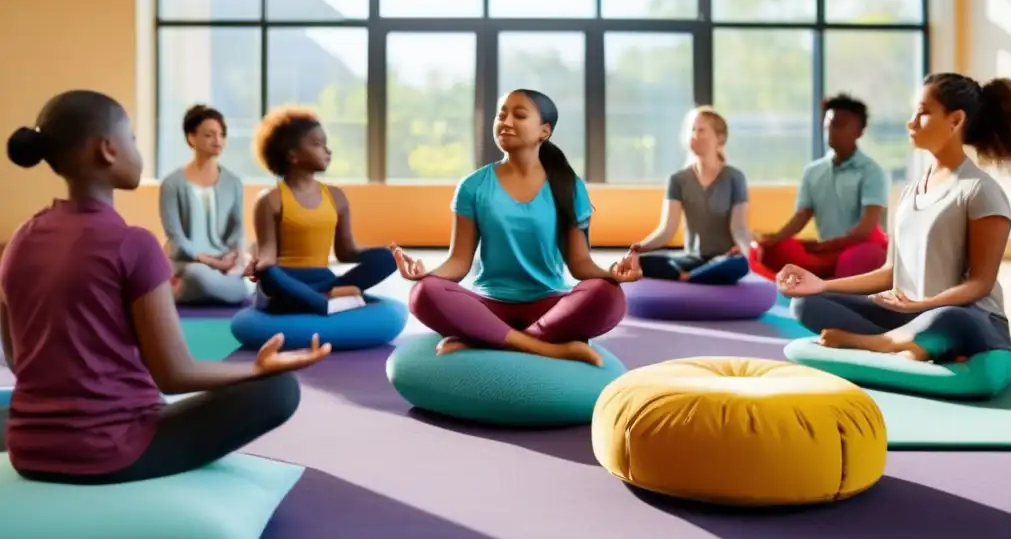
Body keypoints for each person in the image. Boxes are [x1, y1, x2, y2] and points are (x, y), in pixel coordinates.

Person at [0, 90, 329, 485]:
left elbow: (19, 362)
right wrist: (256, 369)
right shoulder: (133, 243)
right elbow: (174, 374)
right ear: (108, 150)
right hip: (111, 452)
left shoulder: (19, 240)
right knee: (280, 391)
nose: (137, 150)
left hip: (28, 449)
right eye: (133, 140)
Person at [779, 72, 1011, 363]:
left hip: (969, 320)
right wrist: (821, 284)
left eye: (922, 113)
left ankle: (879, 343)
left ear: (955, 120)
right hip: (909, 316)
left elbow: (980, 284)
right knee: (806, 305)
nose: (910, 122)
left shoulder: (980, 191)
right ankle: (915, 345)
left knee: (949, 319)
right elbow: (891, 273)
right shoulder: (908, 194)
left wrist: (923, 304)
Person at [395, 89, 640, 368]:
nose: (506, 121)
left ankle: (487, 340)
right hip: (489, 306)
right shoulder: (473, 186)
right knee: (424, 292)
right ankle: (544, 348)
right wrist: (428, 273)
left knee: (608, 295)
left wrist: (613, 274)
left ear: (544, 131)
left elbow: (580, 263)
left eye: (519, 115)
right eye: (502, 114)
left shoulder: (569, 186)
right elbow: (459, 261)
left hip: (550, 306)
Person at [247, 107, 397, 315]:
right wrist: (257, 266)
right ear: (293, 155)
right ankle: (328, 303)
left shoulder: (336, 197)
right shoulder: (270, 200)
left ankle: (315, 297)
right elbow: (267, 254)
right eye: (317, 144)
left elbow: (347, 251)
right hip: (286, 279)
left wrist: (385, 254)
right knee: (270, 274)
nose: (327, 150)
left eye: (325, 144)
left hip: (324, 279)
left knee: (388, 258)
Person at [754, 94, 890, 279]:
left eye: (841, 124)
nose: (832, 131)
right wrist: (772, 240)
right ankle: (824, 277)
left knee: (860, 257)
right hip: (826, 250)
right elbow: (802, 216)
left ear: (859, 131)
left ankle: (831, 281)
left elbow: (866, 229)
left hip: (859, 249)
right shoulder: (813, 171)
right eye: (829, 124)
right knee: (774, 249)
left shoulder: (871, 172)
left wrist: (828, 245)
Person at [631, 106, 751, 284]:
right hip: (691, 259)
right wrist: (639, 248)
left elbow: (739, 229)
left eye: (701, 130)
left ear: (720, 138)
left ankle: (687, 277)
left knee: (739, 264)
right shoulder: (677, 179)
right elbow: (666, 230)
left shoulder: (735, 177)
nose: (694, 135)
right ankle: (692, 276)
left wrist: (751, 255)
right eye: (692, 129)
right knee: (644, 262)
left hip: (723, 259)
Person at [159, 104, 250, 306]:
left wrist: (235, 259)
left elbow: (237, 229)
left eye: (221, 134)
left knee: (244, 284)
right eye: (209, 135)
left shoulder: (233, 182)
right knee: (197, 274)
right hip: (187, 264)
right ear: (192, 137)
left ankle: (184, 293)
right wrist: (207, 260)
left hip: (223, 266)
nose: (218, 140)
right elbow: (175, 235)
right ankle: (192, 289)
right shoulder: (172, 183)